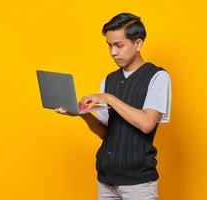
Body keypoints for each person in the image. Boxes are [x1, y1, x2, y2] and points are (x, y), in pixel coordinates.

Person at [55, 12, 172, 200]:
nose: (113, 52)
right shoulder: (109, 80)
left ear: (138, 43)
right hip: (106, 180)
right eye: (109, 45)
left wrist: (108, 98)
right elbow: (106, 133)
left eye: (119, 45)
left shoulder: (158, 77)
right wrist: (82, 114)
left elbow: (147, 123)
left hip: (138, 184)